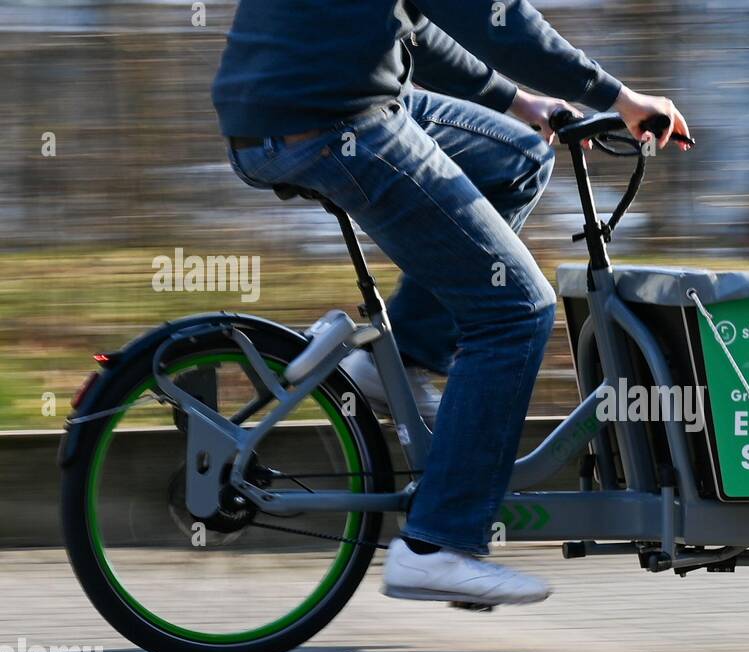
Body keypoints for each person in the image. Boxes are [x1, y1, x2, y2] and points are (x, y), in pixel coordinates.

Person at [212, 1, 690, 606]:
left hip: (298, 107)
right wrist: (619, 96)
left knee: (519, 156)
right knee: (517, 311)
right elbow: (496, 18)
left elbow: (416, 28)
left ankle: (402, 358)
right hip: (332, 122)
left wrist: (520, 103)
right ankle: (439, 544)